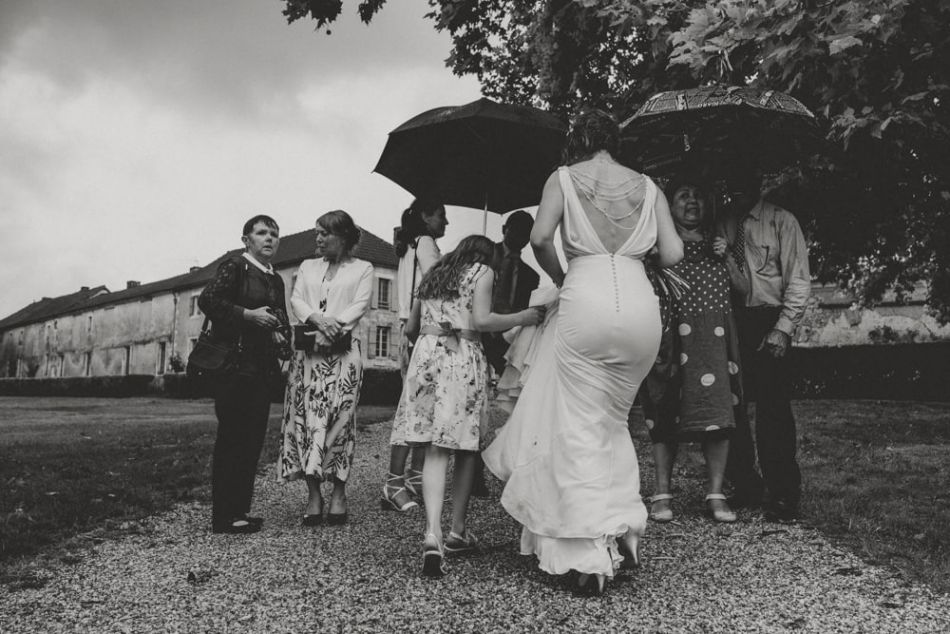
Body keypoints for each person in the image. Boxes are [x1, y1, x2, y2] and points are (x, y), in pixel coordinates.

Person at [483, 109, 683, 595]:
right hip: (639, 308)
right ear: (614, 142)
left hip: (586, 298)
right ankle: (622, 528)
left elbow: (538, 238)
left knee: (577, 425)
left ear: (577, 142)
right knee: (613, 422)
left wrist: (562, 275)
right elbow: (674, 253)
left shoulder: (564, 178)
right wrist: (635, 256)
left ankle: (589, 553)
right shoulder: (648, 186)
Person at [390, 235, 545, 578]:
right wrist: (524, 316)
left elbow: (413, 327)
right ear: (485, 254)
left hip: (426, 359)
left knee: (434, 450)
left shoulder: (432, 275)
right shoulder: (482, 272)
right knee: (465, 447)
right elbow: (484, 320)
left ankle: (433, 533)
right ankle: (457, 530)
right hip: (461, 358)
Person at [639, 176, 749, 525]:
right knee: (664, 408)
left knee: (718, 411)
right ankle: (662, 493)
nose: (691, 202)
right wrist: (651, 259)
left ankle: (715, 493)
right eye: (683, 196)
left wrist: (728, 258)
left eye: (698, 196)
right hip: (671, 338)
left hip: (713, 339)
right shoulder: (656, 247)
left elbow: (744, 291)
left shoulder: (722, 245)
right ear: (669, 206)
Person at [720, 172, 811, 522]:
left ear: (758, 180)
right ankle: (745, 483)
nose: (737, 187)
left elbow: (798, 280)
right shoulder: (722, 221)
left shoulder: (782, 221)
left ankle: (783, 493)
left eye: (745, 174)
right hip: (730, 319)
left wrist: (783, 329)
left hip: (768, 318)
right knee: (732, 407)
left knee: (773, 410)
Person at [278, 210, 373, 526]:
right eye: (316, 232)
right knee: (306, 421)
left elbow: (359, 304)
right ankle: (314, 494)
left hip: (344, 357)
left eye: (323, 233)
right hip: (308, 358)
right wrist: (317, 321)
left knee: (341, 423)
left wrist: (334, 327)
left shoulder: (363, 268)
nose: (317, 238)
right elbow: (297, 299)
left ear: (342, 236)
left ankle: (339, 493)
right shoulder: (307, 266)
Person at [198, 214, 291, 534]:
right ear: (246, 240)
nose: (270, 239)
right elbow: (208, 300)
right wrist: (248, 315)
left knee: (251, 443)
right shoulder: (236, 267)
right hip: (233, 369)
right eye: (262, 233)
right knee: (232, 441)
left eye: (275, 234)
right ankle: (224, 516)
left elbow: (281, 319)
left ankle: (239, 511)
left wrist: (280, 334)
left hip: (261, 371)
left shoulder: (275, 279)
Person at [382, 199, 448, 512]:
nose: (445, 223)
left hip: (411, 331)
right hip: (422, 333)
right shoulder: (426, 244)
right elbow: (434, 288)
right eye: (441, 215)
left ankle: (415, 476)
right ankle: (395, 481)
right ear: (425, 216)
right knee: (413, 410)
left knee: (422, 408)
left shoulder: (411, 245)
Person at [472, 209, 541, 498]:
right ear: (504, 228)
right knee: (475, 406)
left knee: (513, 404)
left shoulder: (530, 275)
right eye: (517, 229)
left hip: (508, 344)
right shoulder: (485, 259)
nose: (521, 237)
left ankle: (510, 460)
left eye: (527, 231)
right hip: (478, 336)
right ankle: (473, 470)